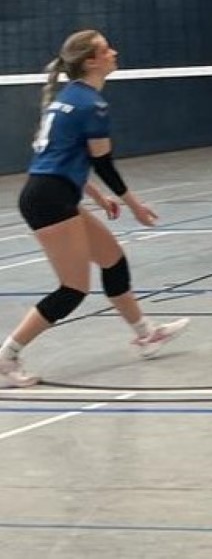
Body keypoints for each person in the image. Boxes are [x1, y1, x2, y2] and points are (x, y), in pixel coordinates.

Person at [0, 31, 189, 387]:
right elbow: (103, 163)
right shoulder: (92, 105)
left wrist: (98, 197)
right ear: (91, 61)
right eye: (106, 49)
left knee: (112, 260)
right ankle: (6, 357)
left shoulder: (67, 98)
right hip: (49, 198)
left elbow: (61, 158)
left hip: (52, 191)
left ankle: (146, 334)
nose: (114, 52)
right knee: (73, 289)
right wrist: (135, 206)